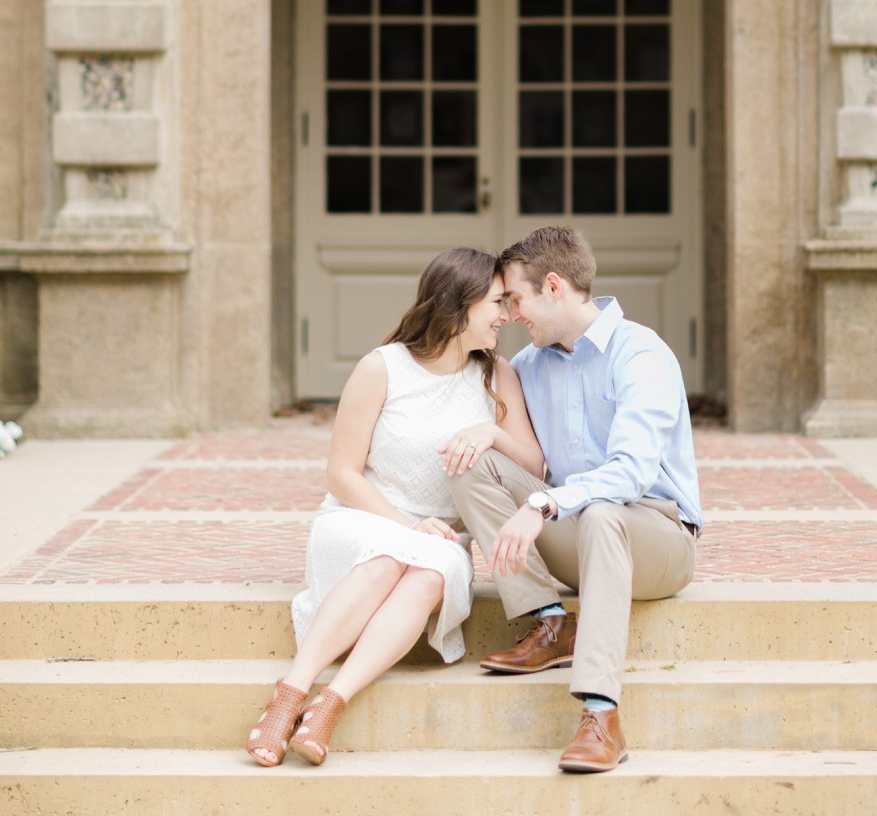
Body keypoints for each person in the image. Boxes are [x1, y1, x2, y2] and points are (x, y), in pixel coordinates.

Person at [248, 248, 544, 767]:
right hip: (362, 519)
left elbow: (535, 468)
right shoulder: (381, 367)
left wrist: (492, 430)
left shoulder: (498, 374)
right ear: (461, 304)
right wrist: (407, 525)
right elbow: (341, 473)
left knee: (432, 573)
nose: (506, 314)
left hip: (440, 540)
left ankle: (330, 703)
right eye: (497, 302)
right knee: (390, 559)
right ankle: (291, 693)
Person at [447, 225, 703, 775]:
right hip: (579, 537)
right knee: (473, 463)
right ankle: (548, 619)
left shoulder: (641, 353)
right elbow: (532, 468)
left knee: (606, 510)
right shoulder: (531, 368)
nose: (512, 314)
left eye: (516, 298)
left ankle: (601, 714)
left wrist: (542, 506)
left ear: (555, 286)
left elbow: (632, 473)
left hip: (658, 541)